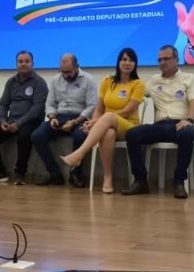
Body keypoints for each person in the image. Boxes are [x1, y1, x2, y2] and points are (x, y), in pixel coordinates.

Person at [60, 48, 144, 193]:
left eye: (131, 60)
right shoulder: (107, 81)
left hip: (129, 126)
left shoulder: (138, 84)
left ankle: (79, 154)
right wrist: (95, 121)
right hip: (106, 125)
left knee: (109, 116)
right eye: (124, 59)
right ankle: (107, 177)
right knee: (108, 133)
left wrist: (95, 122)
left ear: (135, 64)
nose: (127, 63)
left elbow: (126, 111)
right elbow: (99, 108)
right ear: (118, 62)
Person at [122, 45, 194, 199]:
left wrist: (189, 120)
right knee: (132, 134)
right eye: (160, 59)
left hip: (179, 124)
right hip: (159, 125)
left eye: (166, 59)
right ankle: (140, 181)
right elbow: (135, 94)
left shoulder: (189, 78)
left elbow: (193, 101)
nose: (162, 62)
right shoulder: (153, 81)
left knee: (188, 133)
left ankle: (179, 182)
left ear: (176, 60)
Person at [31, 53, 97, 187]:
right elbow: (49, 104)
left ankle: (75, 174)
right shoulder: (56, 80)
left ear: (77, 67)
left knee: (80, 136)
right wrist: (52, 118)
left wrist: (75, 122)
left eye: (69, 72)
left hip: (80, 117)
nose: (65, 75)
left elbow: (91, 106)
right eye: (63, 72)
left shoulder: (88, 80)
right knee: (37, 136)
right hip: (59, 117)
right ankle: (54, 173)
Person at [0, 51, 48, 185]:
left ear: (33, 64)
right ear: (16, 64)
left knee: (24, 136)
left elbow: (37, 109)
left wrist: (18, 124)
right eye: (20, 61)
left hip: (32, 121)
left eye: (27, 61)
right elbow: (3, 104)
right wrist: (2, 121)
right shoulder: (11, 82)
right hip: (11, 120)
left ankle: (20, 172)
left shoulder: (39, 82)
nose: (23, 64)